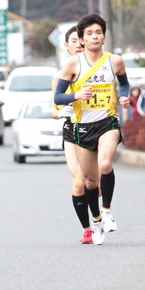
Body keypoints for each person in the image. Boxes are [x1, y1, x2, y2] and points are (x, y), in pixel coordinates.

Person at [54, 13, 130, 245]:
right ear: (82, 40)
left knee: (105, 163)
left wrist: (124, 97)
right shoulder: (71, 64)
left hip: (107, 122)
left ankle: (106, 212)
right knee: (89, 182)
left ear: (104, 37)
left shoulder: (114, 61)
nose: (94, 37)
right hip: (82, 129)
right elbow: (58, 96)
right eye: (89, 34)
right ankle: (95, 223)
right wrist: (77, 95)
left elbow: (124, 83)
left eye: (98, 33)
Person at [49, 26, 98, 244]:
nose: (79, 44)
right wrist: (61, 112)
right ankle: (87, 229)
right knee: (78, 181)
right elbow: (52, 108)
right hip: (71, 131)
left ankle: (99, 215)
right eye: (74, 41)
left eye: (81, 40)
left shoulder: (98, 69)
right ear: (67, 46)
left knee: (93, 184)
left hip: (97, 128)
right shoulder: (60, 77)